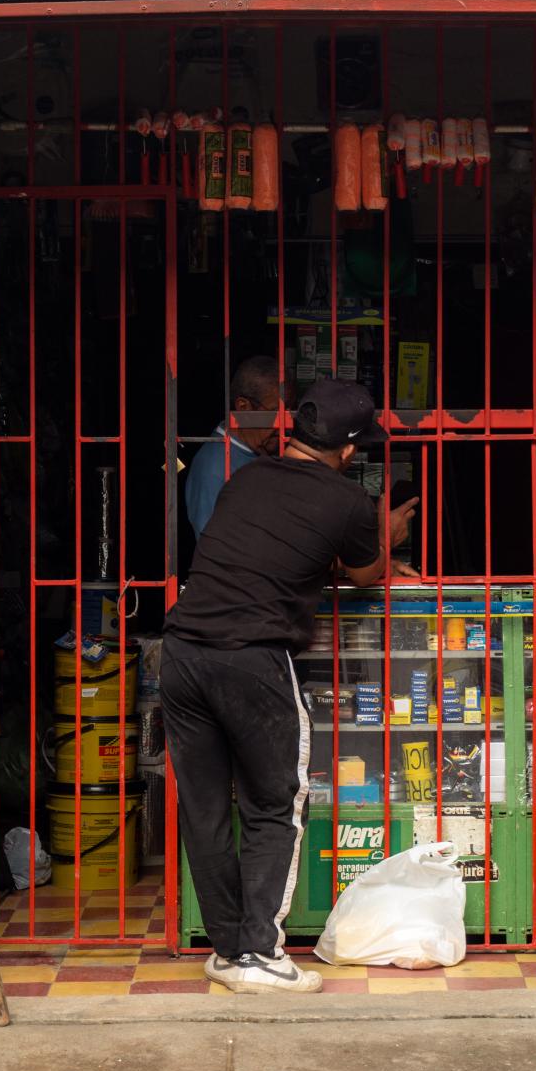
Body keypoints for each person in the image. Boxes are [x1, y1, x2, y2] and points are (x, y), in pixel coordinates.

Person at [161, 379, 418, 993]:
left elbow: (267, 548)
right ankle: (258, 953)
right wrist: (388, 540)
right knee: (276, 804)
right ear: (350, 452)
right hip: (251, 658)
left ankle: (227, 950)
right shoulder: (347, 502)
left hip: (182, 652)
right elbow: (362, 575)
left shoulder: (245, 478)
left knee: (204, 810)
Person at [184, 356, 294, 538]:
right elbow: (215, 548)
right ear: (243, 407)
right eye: (276, 413)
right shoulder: (214, 468)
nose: (286, 423)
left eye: (290, 411)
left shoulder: (264, 450)